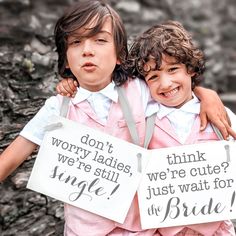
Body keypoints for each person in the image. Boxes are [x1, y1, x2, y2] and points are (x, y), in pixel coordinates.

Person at [0, 0, 235, 235]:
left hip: (141, 230)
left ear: (120, 55)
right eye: (76, 42)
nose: (87, 50)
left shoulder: (141, 91)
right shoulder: (57, 108)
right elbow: (10, 159)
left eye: (100, 40)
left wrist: (207, 95)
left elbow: (173, 88)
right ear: (65, 59)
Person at [128, 20, 236, 235]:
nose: (166, 83)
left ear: (190, 69)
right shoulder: (144, 121)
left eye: (173, 69)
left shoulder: (220, 116)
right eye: (153, 77)